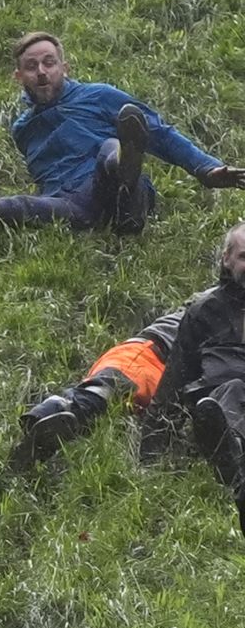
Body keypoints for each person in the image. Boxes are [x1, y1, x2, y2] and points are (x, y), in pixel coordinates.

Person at [0, 31, 243, 234]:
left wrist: (205, 168)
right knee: (26, 205)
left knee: (109, 151)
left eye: (49, 63)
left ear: (64, 67)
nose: (42, 72)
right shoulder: (22, 129)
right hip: (74, 206)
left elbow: (159, 132)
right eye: (32, 67)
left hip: (109, 183)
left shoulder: (99, 95)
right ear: (19, 76)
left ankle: (127, 176)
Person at [139, 223, 245, 530]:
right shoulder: (204, 311)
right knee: (228, 395)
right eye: (244, 257)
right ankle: (230, 453)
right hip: (220, 398)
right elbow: (174, 378)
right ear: (227, 259)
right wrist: (151, 453)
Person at [10, 304, 184, 468]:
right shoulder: (205, 309)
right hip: (147, 355)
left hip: (153, 362)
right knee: (111, 389)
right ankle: (56, 412)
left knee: (114, 407)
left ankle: (40, 435)